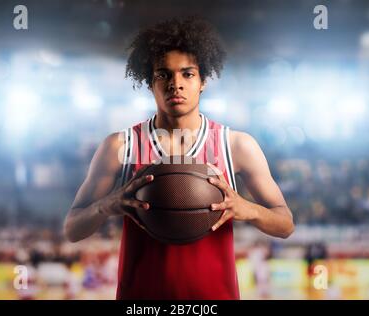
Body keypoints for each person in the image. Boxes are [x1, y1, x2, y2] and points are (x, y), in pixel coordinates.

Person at [64, 16, 294, 300]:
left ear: (203, 81)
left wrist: (247, 208)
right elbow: (72, 229)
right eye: (163, 74)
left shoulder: (236, 145)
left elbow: (285, 224)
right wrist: (107, 205)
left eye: (187, 74)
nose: (176, 84)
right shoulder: (120, 146)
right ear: (149, 82)